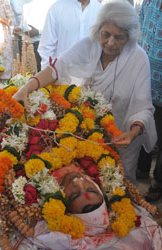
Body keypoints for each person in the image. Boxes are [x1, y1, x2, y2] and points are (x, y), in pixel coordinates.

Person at [13, 0, 157, 185]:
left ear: (129, 36)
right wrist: (26, 88)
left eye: (119, 37)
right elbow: (58, 67)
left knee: (121, 184)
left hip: (123, 136)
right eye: (106, 34)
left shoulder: (138, 58)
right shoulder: (89, 44)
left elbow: (143, 105)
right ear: (98, 30)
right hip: (87, 131)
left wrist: (133, 132)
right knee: (88, 181)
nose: (110, 43)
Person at [0, 165, 162, 249]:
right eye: (90, 188)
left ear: (64, 206)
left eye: (74, 194)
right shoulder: (96, 168)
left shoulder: (34, 189)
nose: (79, 182)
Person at [136, 0, 162, 202]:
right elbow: (138, 33)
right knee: (142, 126)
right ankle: (141, 170)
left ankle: (158, 182)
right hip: (146, 82)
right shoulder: (149, 2)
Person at [38, 0, 102, 70]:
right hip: (62, 75)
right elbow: (46, 48)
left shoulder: (101, 10)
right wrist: (49, 76)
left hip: (91, 76)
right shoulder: (57, 8)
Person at [18, 0, 57, 72]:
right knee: (28, 72)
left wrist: (38, 31)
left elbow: (54, 26)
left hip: (40, 42)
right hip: (26, 43)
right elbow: (23, 23)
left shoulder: (51, 3)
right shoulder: (26, 4)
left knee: (41, 71)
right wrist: (19, 28)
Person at [0, 0, 15, 81]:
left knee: (4, 62)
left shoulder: (3, 1)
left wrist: (0, 19)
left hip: (3, 37)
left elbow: (12, 22)